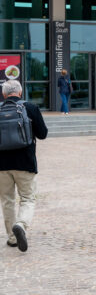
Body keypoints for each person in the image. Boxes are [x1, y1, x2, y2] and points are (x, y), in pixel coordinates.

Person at [0, 80, 48, 252]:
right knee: (27, 198)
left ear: (4, 94)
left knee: (7, 200)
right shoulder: (30, 108)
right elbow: (42, 134)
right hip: (25, 163)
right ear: (20, 93)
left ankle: (12, 239)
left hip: (2, 165)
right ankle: (20, 224)